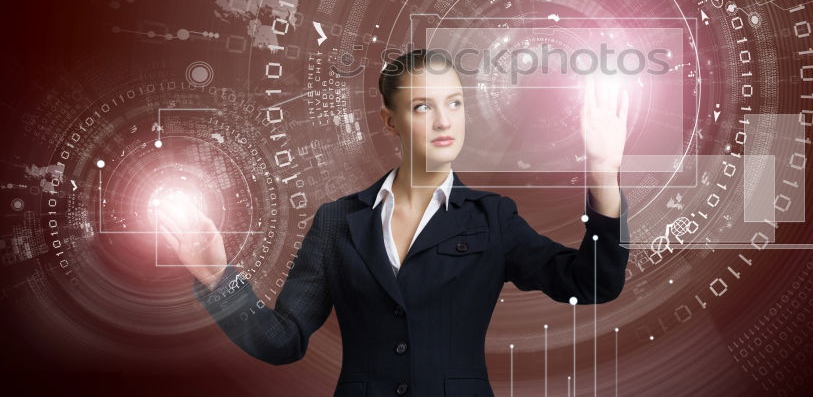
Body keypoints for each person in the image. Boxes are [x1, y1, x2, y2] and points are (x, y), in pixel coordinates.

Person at [157, 48, 631, 397]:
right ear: (391, 121)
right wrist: (218, 280)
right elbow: (283, 340)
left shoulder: (493, 218)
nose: (445, 121)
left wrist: (604, 176)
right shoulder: (337, 222)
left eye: (455, 103)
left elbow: (593, 282)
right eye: (423, 107)